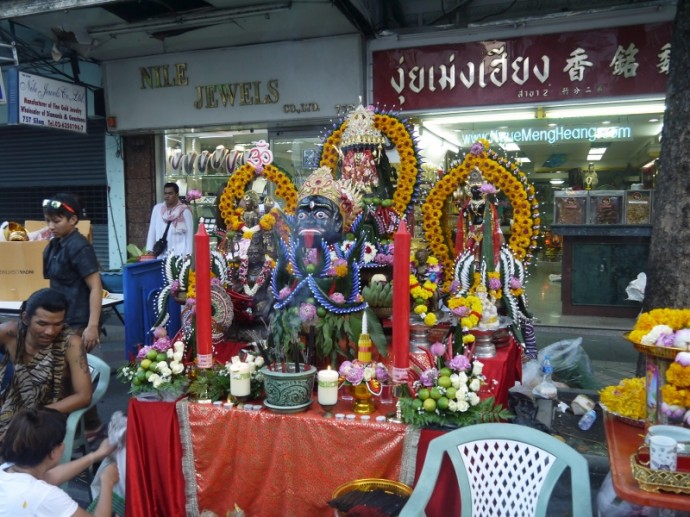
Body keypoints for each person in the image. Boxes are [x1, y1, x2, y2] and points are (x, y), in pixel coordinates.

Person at [0, 288, 92, 442]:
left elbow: (84, 396)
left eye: (57, 324)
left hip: (47, 416)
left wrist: (29, 415)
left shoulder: (71, 344)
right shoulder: (10, 333)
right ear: (25, 318)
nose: (50, 331)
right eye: (42, 324)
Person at [0, 407, 119, 517]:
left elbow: (51, 476)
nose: (64, 445)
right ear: (53, 452)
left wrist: (96, 455)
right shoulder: (45, 496)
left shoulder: (8, 469)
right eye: (62, 442)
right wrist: (107, 482)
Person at [42, 193, 102, 351]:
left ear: (73, 220)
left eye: (56, 221)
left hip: (78, 322)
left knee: (74, 369)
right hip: (59, 319)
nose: (51, 226)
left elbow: (96, 287)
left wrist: (92, 326)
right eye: (48, 221)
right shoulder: (52, 246)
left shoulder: (80, 247)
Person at [145, 182, 193, 257]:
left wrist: (188, 254)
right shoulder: (157, 209)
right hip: (161, 254)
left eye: (170, 193)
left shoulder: (185, 211)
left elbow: (189, 235)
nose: (167, 196)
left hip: (179, 254)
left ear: (177, 195)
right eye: (165, 193)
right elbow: (152, 230)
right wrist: (149, 250)